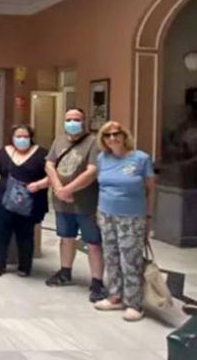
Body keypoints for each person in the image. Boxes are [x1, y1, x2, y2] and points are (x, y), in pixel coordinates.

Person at [93, 121, 156, 322]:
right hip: (106, 213)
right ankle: (115, 296)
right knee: (111, 256)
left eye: (116, 134)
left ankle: (134, 303)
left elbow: (150, 190)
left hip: (132, 216)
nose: (112, 138)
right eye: (107, 135)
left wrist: (148, 217)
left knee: (130, 259)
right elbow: (100, 186)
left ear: (124, 135)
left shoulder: (140, 158)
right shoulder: (103, 158)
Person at [45, 108, 106, 302]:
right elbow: (49, 164)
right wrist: (58, 188)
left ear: (84, 121)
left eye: (76, 119)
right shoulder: (59, 140)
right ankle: (65, 272)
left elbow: (92, 171)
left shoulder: (93, 143)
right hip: (62, 202)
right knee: (66, 237)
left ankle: (97, 282)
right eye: (69, 119)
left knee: (93, 242)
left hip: (85, 202)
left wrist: (69, 189)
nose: (72, 123)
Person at [0, 124, 49, 276]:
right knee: (1, 233)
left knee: (26, 235)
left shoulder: (41, 154)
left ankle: (24, 266)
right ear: (12, 138)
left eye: (25, 137)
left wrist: (39, 185)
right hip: (4, 201)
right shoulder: (3, 153)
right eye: (18, 137)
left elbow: (53, 176)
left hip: (29, 203)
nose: (22, 140)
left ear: (31, 137)